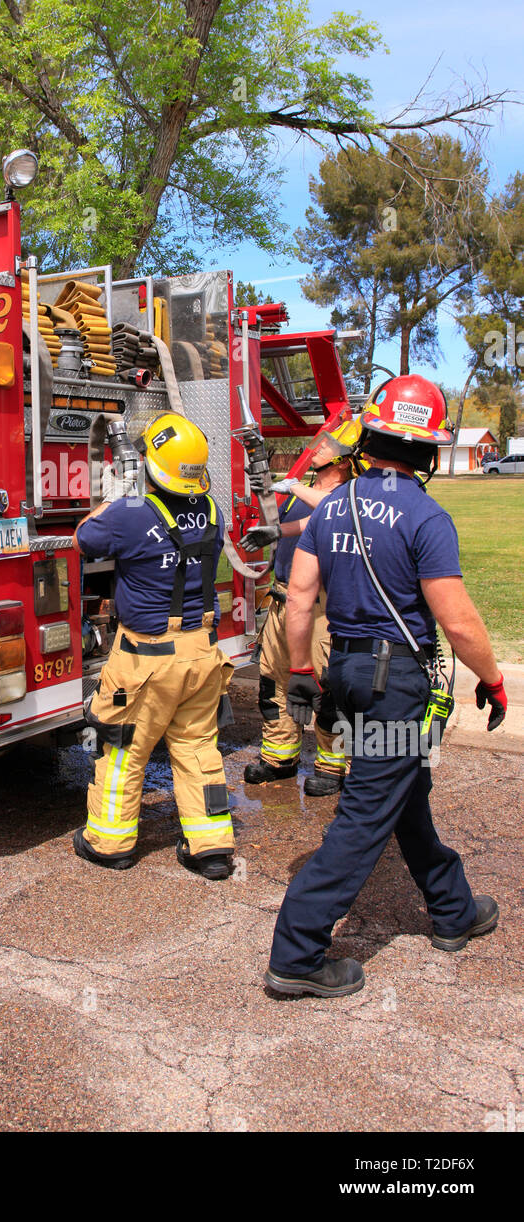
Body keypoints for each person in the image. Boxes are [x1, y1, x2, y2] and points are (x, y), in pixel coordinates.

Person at [265, 374, 507, 998]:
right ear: (426, 451)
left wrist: (298, 671)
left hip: (345, 675)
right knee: (367, 812)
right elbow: (456, 620)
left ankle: (452, 911)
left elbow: (298, 598)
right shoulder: (426, 515)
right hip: (392, 683)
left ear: (370, 435)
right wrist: (493, 678)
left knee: (403, 789)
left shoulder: (330, 506)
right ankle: (297, 952)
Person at [72, 413, 236, 879]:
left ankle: (109, 843)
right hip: (202, 654)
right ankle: (211, 848)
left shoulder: (129, 515)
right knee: (199, 748)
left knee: (123, 749)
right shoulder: (213, 512)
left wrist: (114, 497)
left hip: (147, 660)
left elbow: (84, 538)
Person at [241, 419, 362, 796]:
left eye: (327, 445)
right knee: (273, 681)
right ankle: (280, 758)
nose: (318, 447)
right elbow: (307, 522)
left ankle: (332, 765)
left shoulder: (351, 493)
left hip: (324, 610)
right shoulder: (307, 492)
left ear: (343, 461)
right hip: (284, 601)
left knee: (328, 688)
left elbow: (332, 511)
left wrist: (291, 484)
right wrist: (275, 529)